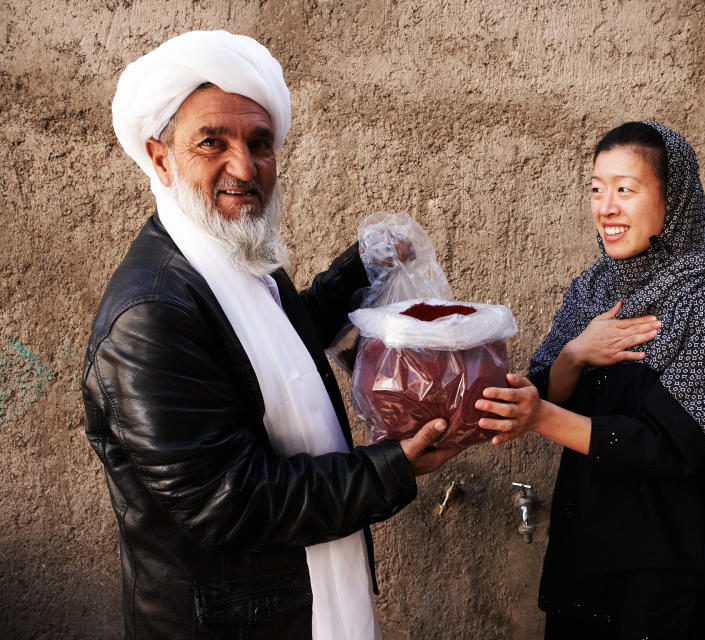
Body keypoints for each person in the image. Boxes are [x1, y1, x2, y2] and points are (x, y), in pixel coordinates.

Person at [82, 30, 457, 640]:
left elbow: (275, 352)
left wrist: (361, 269)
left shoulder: (234, 262)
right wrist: (392, 468)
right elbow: (227, 501)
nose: (244, 166)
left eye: (260, 143)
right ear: (160, 156)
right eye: (212, 142)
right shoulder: (151, 314)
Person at [477, 121, 705, 639]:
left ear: (672, 200)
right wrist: (577, 353)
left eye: (625, 189)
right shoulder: (593, 288)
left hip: (658, 574)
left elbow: (667, 447)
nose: (606, 207)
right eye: (597, 188)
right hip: (582, 550)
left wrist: (541, 417)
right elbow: (546, 386)